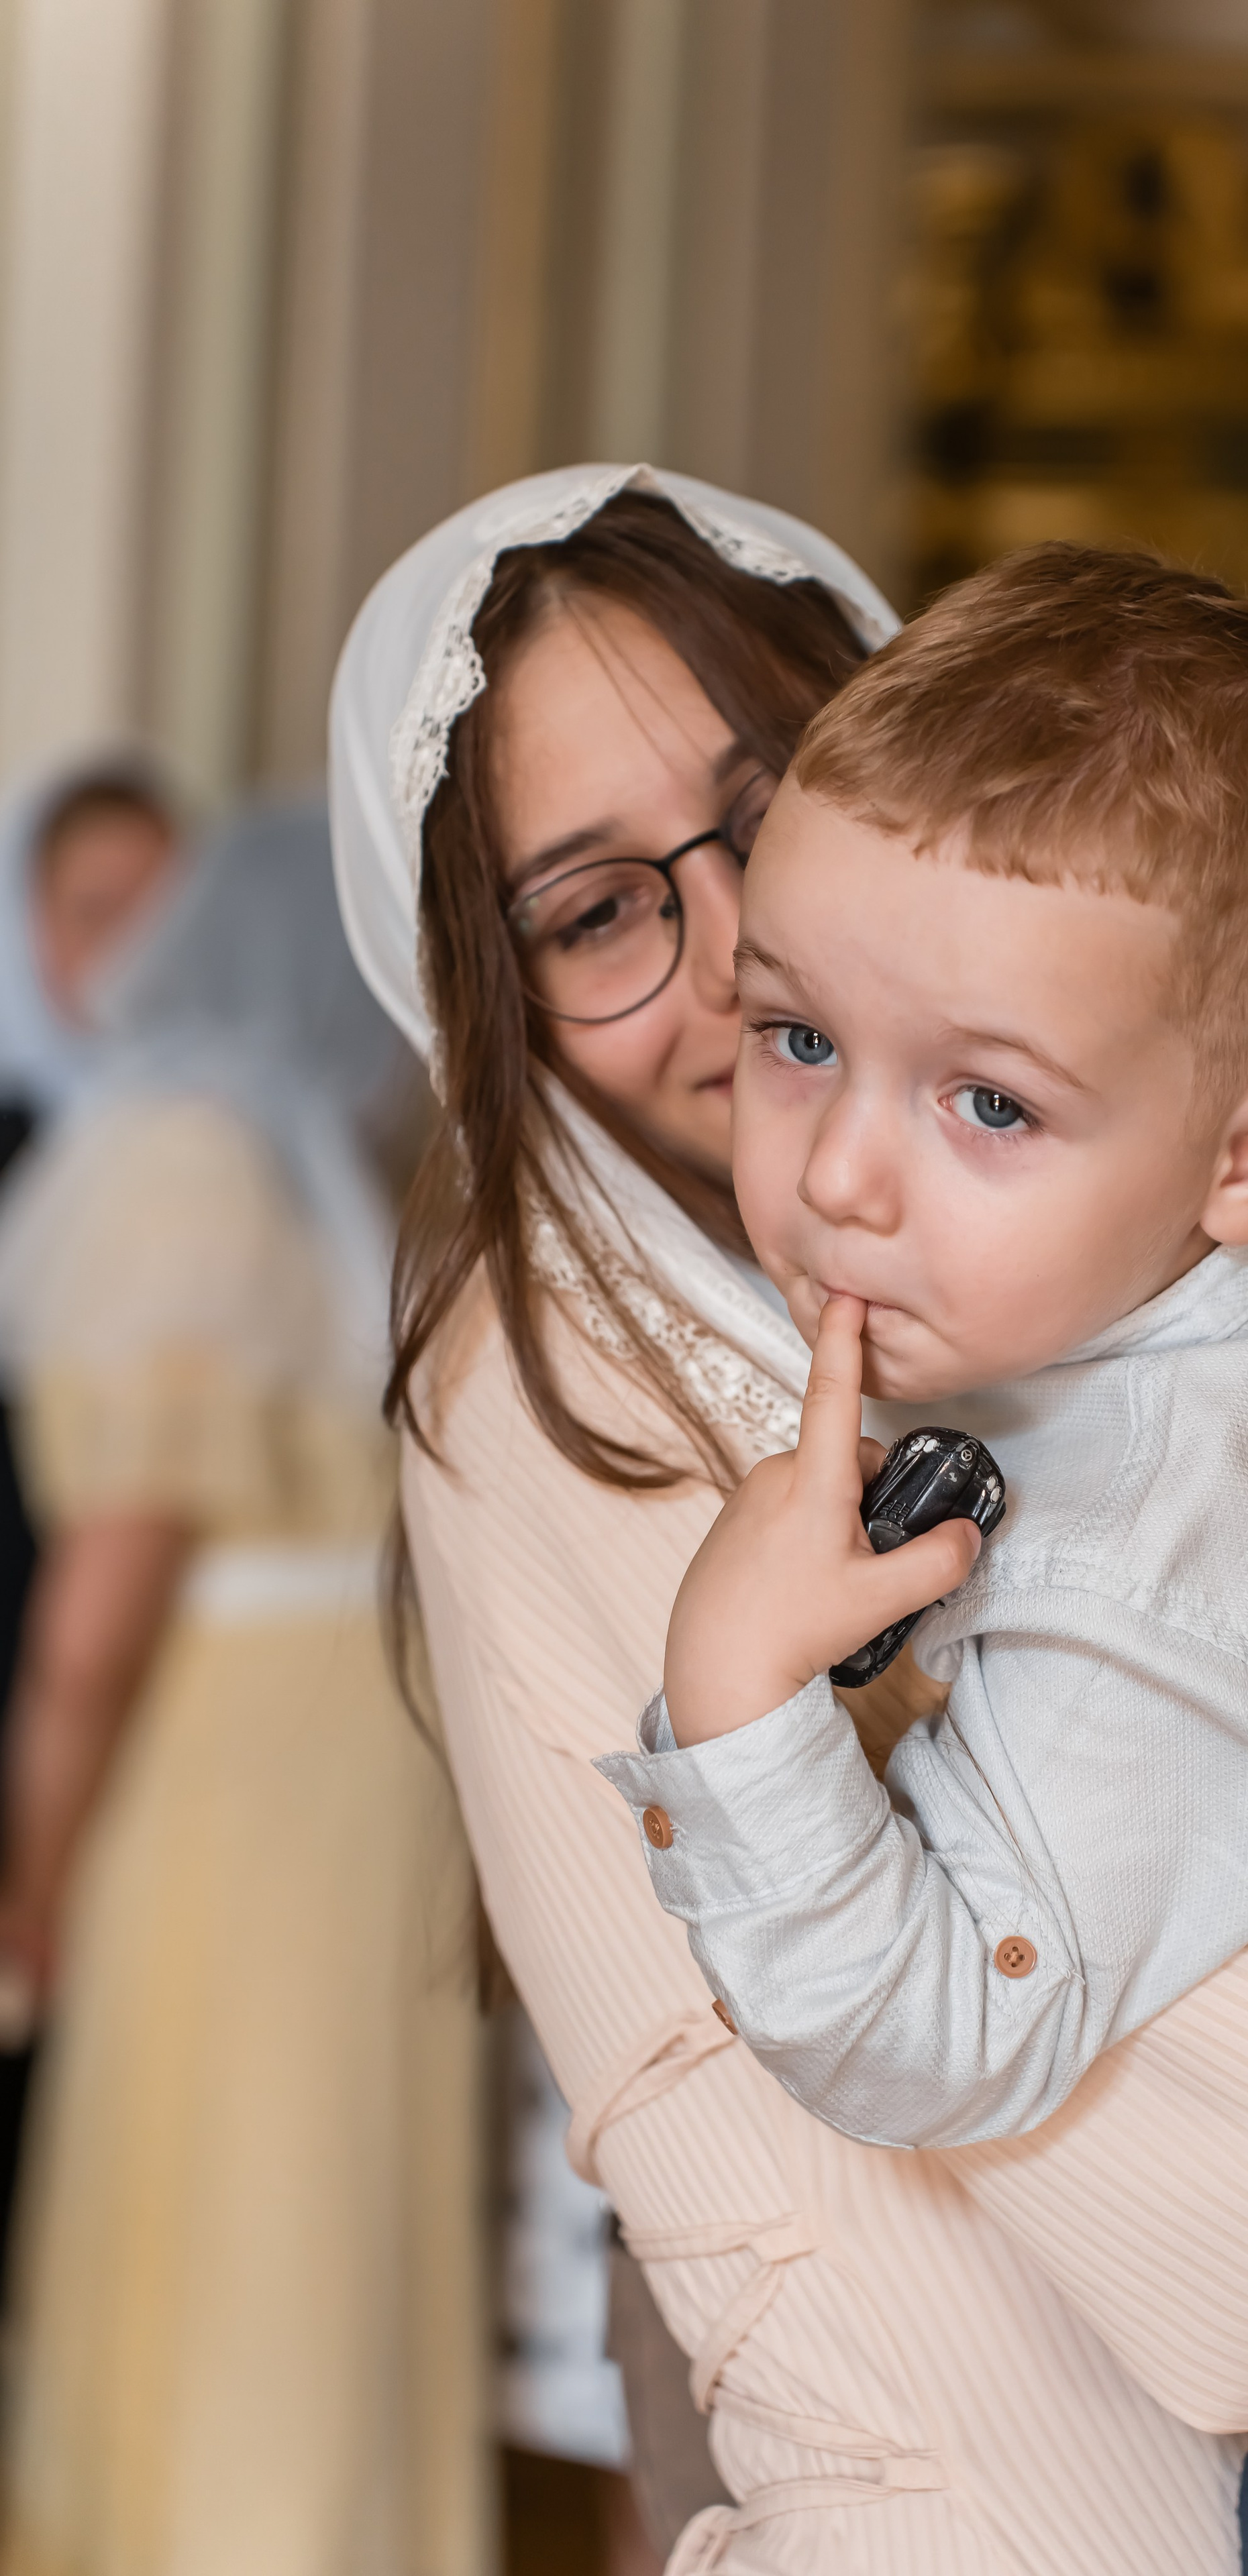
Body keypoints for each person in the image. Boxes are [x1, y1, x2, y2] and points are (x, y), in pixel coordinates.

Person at [331, 463, 1248, 2575]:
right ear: (479, 997)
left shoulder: (1178, 1300)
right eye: (602, 911)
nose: (727, 975)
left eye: (769, 793)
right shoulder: (574, 1382)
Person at [0, 800, 488, 2576]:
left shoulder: (175, 1166)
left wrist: (32, 1870)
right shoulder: (327, 1169)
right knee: (320, 2178)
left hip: (226, 1767)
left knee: (225, 2175)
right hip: (357, 1751)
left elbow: (95, 1616)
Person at [0, 758, 183, 2247]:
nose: (133, 950)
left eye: (164, 910)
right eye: (94, 909)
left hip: (159, 1707)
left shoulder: (250, 1164)